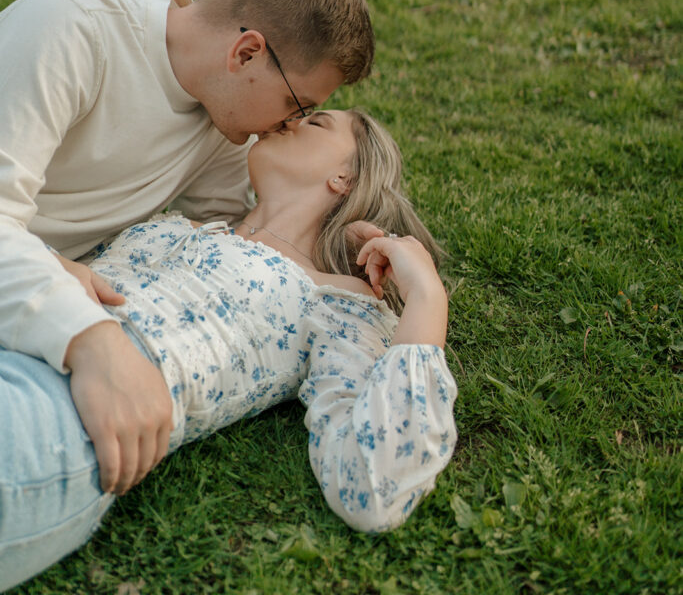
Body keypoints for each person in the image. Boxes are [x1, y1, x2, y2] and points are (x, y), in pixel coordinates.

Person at [0, 108, 457, 591]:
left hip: (71, 413)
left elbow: (373, 486)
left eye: (317, 122)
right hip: (33, 335)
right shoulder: (185, 225)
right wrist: (61, 269)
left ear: (345, 177)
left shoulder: (334, 299)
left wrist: (428, 297)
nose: (289, 119)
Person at [0, 0, 374, 496]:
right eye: (298, 107)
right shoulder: (73, 29)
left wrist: (337, 237)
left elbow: (229, 245)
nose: (286, 127)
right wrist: (89, 335)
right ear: (246, 53)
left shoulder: (224, 127)